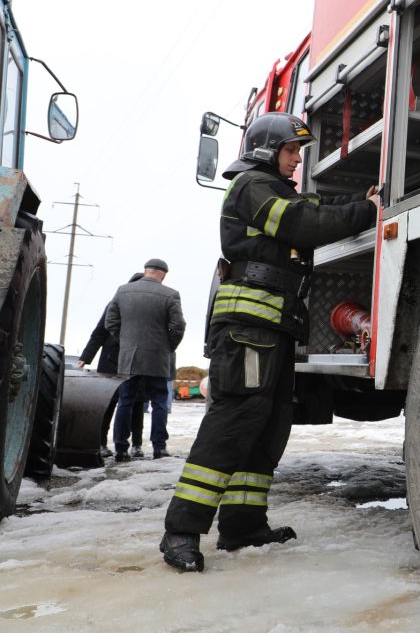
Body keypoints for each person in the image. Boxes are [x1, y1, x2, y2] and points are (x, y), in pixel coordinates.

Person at [160, 112, 378, 573]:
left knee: (269, 423)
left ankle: (242, 525)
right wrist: (368, 211)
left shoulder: (277, 189)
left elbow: (315, 208)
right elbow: (303, 225)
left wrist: (362, 197)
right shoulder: (252, 186)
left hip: (273, 326)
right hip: (248, 327)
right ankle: (181, 531)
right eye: (291, 151)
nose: (297, 160)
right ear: (266, 150)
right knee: (235, 420)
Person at [104, 259, 186, 462]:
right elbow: (178, 326)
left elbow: (110, 321)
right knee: (159, 402)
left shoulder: (123, 291)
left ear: (145, 271)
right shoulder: (171, 294)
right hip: (158, 356)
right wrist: (168, 347)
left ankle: (121, 449)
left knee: (125, 402)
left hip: (129, 356)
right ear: (164, 275)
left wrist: (125, 342)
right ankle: (159, 448)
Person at [77, 274, 148, 458]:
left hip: (137, 362)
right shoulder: (115, 304)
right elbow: (99, 333)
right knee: (108, 403)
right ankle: (100, 443)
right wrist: (85, 357)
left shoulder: (150, 307)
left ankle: (137, 444)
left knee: (137, 403)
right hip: (111, 361)